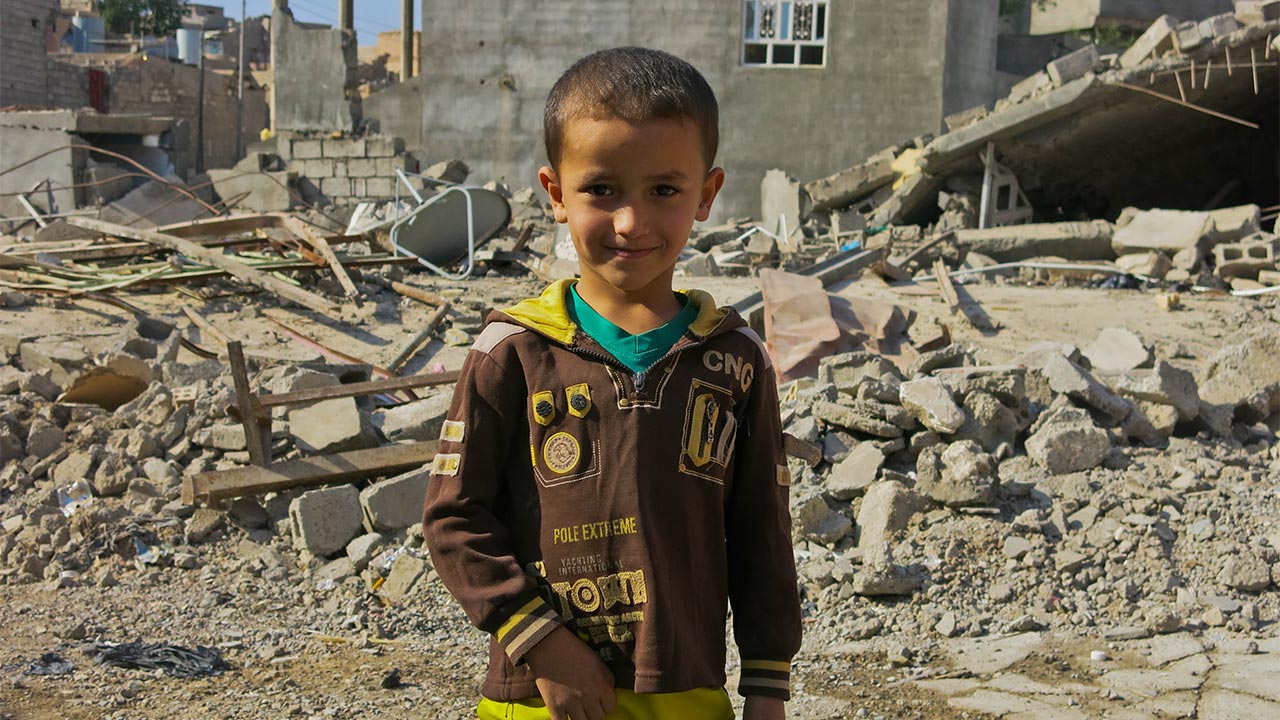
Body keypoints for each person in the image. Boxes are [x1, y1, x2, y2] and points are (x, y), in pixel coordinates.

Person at [423, 46, 801, 720]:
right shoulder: (511, 351)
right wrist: (541, 644)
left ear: (707, 195)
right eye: (602, 189)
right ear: (556, 194)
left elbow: (760, 534)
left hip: (684, 691)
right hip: (541, 694)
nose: (631, 222)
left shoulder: (734, 359)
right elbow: (455, 517)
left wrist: (767, 687)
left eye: (664, 190)